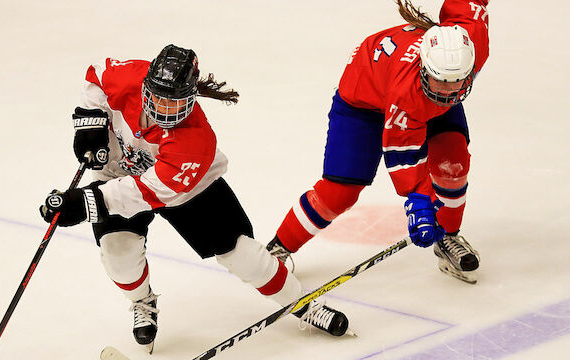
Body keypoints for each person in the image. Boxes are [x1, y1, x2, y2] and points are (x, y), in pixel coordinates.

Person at [39, 44, 350, 353]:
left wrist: (83, 203)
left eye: (173, 103)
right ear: (146, 85)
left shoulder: (194, 139)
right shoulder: (128, 76)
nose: (163, 109)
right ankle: (142, 302)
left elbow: (146, 193)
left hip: (188, 188)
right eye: (157, 98)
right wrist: (91, 122)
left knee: (244, 257)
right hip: (120, 172)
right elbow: (96, 76)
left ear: (190, 99)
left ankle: (305, 305)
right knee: (117, 256)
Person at [267, 0, 490, 284]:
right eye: (439, 82)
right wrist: (420, 203)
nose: (446, 92)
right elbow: (405, 158)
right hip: (364, 103)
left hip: (416, 98)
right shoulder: (406, 93)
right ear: (424, 67)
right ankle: (277, 250)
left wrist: (428, 207)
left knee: (453, 163)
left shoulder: (473, 39)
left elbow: (466, 6)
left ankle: (448, 236)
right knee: (339, 192)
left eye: (455, 82)